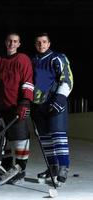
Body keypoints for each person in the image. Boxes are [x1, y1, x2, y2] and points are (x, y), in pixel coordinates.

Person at [0, 32, 34, 183]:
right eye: (9, 41)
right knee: (2, 141)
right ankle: (6, 169)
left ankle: (20, 169)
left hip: (16, 107)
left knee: (20, 138)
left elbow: (28, 81)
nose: (12, 43)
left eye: (15, 41)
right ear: (6, 43)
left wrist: (25, 101)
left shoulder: (23, 59)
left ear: (19, 44)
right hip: (0, 107)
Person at [31, 32, 73, 186]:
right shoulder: (32, 60)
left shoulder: (57, 57)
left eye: (44, 42)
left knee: (58, 135)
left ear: (49, 44)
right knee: (45, 139)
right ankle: (52, 168)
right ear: (35, 45)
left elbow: (67, 78)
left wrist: (60, 99)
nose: (41, 45)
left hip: (54, 102)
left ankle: (63, 167)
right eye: (38, 42)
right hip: (38, 105)